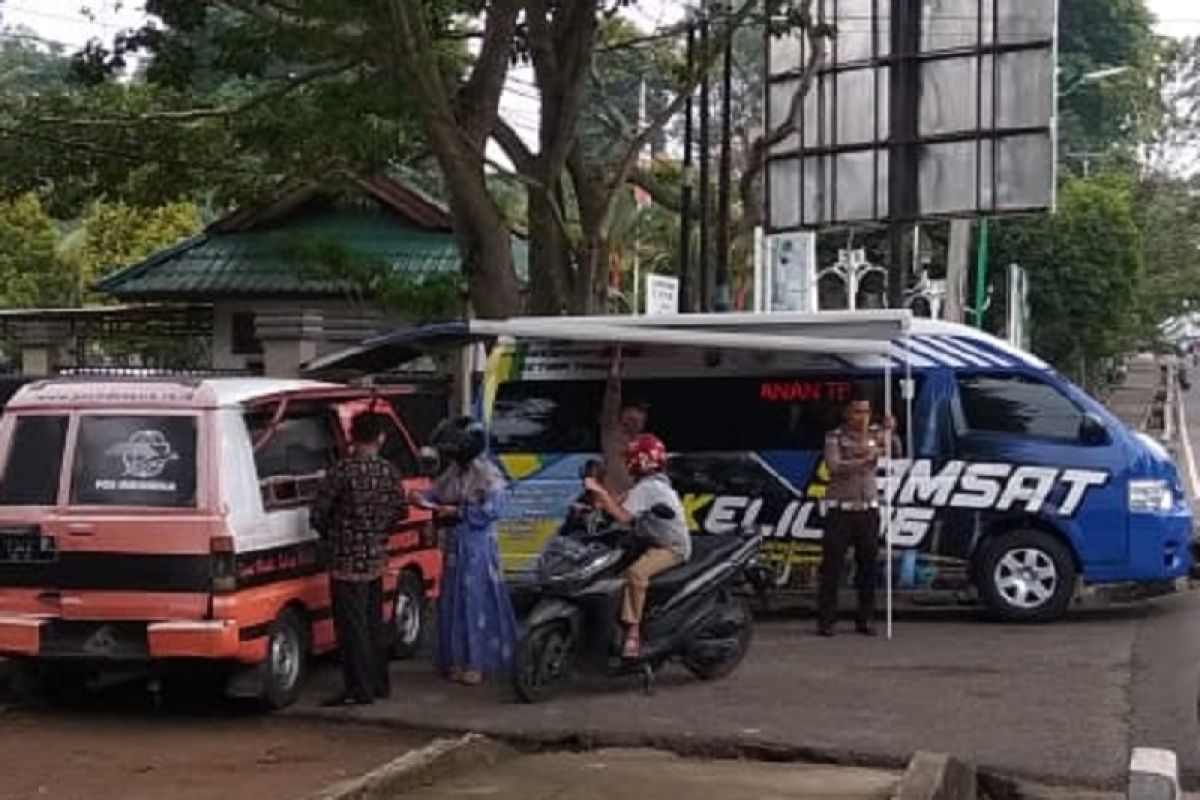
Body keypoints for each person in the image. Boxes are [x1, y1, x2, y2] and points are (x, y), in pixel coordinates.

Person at [311, 413, 408, 706]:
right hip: (376, 559)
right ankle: (379, 684)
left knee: (351, 629)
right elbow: (400, 511)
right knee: (374, 623)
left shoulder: (341, 471)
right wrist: (378, 533)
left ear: (352, 437)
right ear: (380, 438)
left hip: (345, 562)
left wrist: (334, 534)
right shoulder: (389, 472)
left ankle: (359, 689)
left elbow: (319, 515)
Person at [413, 416, 517, 685]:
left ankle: (477, 661)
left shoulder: (488, 474)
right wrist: (420, 498)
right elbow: (435, 493)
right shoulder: (454, 472)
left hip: (478, 545)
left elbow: (494, 510)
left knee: (475, 600)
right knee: (452, 599)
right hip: (455, 544)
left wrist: (460, 511)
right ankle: (456, 659)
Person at [583, 433, 690, 658]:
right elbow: (618, 502)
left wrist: (601, 492)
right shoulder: (645, 486)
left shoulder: (650, 488)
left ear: (642, 460)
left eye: (631, 458)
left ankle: (633, 632)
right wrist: (591, 508)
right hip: (648, 541)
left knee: (636, 573)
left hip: (671, 547)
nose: (627, 463)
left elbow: (622, 516)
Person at [818, 393, 901, 638]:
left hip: (868, 509)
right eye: (857, 411)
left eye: (866, 411)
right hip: (841, 509)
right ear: (847, 413)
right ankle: (826, 620)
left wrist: (891, 432)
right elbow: (834, 466)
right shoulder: (835, 436)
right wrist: (865, 458)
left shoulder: (875, 434)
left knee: (868, 567)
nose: (862, 417)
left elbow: (895, 451)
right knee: (832, 567)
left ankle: (865, 619)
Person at [600, 346, 650, 497]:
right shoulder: (611, 432)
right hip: (613, 500)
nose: (636, 421)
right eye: (632, 417)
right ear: (623, 415)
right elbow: (612, 395)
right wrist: (615, 365)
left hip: (635, 502)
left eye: (640, 418)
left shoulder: (645, 443)